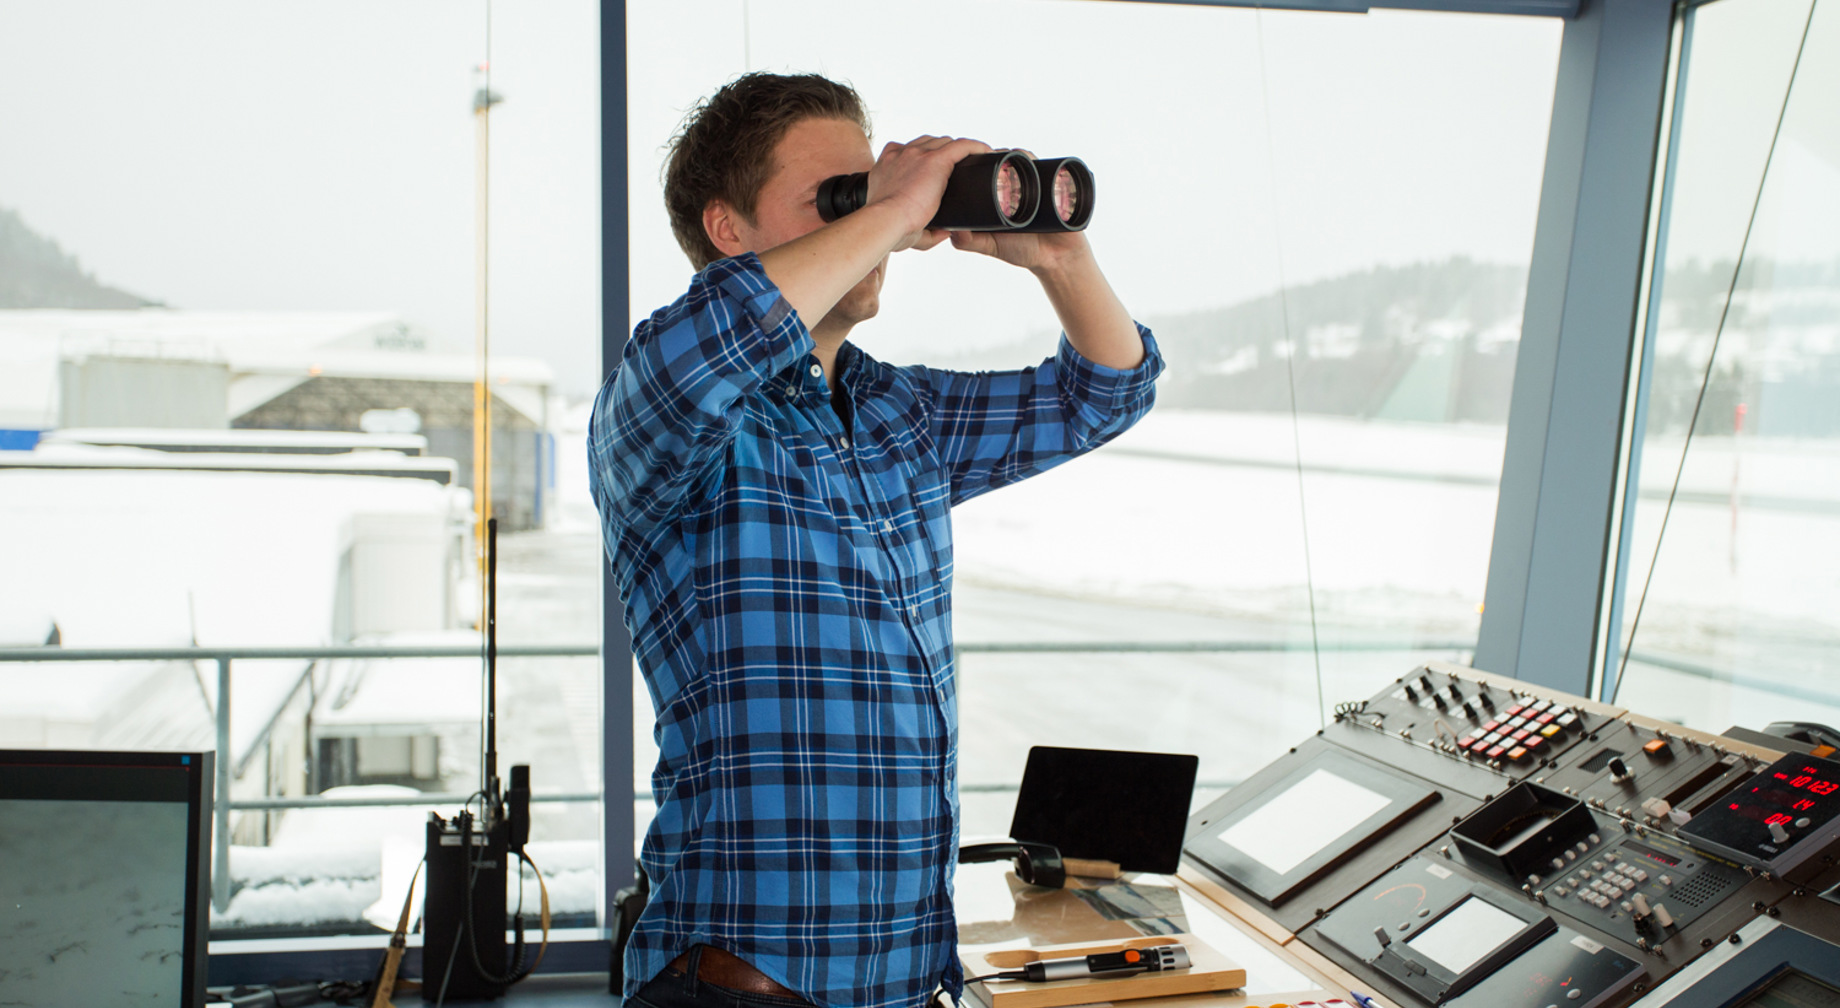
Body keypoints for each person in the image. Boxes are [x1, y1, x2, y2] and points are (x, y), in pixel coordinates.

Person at [588, 71, 1164, 1008]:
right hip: (746, 985)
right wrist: (895, 208)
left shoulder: (901, 413)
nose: (889, 224)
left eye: (873, 187)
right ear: (728, 230)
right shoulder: (668, 413)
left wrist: (1060, 258)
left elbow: (1103, 392)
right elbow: (713, 344)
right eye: (839, 199)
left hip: (904, 980)